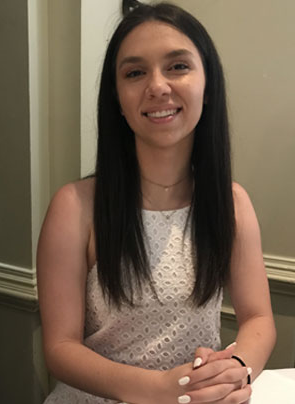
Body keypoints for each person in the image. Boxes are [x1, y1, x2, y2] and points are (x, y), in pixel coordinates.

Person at [37, 2, 276, 403]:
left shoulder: (232, 202)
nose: (158, 86)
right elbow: (60, 348)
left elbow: (259, 317)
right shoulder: (75, 206)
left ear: (207, 84)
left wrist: (236, 369)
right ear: (117, 97)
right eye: (135, 73)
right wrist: (159, 389)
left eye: (178, 66)